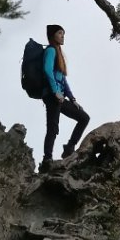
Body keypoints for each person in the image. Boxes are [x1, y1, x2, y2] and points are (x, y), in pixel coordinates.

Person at [40, 24, 90, 173]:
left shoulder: (59, 53)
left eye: (63, 34)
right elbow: (47, 70)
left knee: (84, 118)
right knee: (53, 127)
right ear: (53, 35)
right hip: (52, 96)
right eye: (60, 33)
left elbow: (63, 79)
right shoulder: (50, 50)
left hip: (60, 97)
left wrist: (73, 99)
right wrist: (55, 91)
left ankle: (69, 148)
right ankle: (47, 159)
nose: (63, 36)